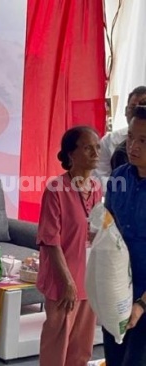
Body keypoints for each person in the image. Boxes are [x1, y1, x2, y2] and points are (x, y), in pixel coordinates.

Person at [36, 126, 102, 366]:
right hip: (62, 280)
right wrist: (67, 282)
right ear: (71, 154)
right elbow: (49, 240)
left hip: (88, 278)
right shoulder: (56, 189)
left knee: (82, 346)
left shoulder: (96, 188)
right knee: (58, 341)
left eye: (97, 147)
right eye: (88, 148)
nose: (95, 152)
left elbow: (94, 232)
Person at [104, 105, 146, 365]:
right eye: (131, 137)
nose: (133, 146)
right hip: (117, 293)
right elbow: (108, 233)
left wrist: (141, 304)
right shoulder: (119, 177)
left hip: (143, 298)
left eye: (143, 140)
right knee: (115, 359)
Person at [95, 86, 146, 181]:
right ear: (126, 110)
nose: (133, 146)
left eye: (142, 140)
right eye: (133, 107)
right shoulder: (111, 142)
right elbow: (99, 176)